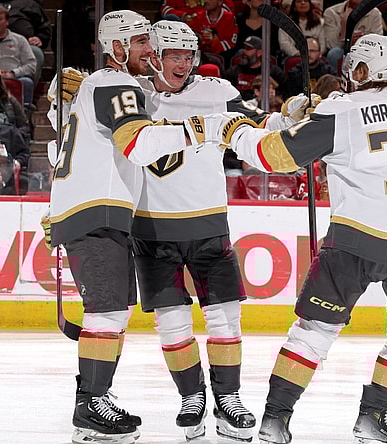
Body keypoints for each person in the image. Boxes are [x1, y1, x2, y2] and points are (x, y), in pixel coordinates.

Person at [218, 34, 387, 444]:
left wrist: (234, 130)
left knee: (314, 332)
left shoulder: (342, 110)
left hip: (355, 239)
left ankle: (274, 420)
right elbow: (373, 118)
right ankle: (373, 417)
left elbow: (274, 156)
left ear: (361, 70)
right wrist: (315, 115)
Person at [133, 20, 310, 442]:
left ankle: (228, 398)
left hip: (209, 226)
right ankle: (191, 396)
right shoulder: (130, 95)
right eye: (174, 55)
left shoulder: (216, 93)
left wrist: (291, 115)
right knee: (172, 323)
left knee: (225, 318)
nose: (184, 63)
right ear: (154, 55)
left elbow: (258, 124)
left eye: (189, 55)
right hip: (150, 229)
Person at [42, 11, 215, 444]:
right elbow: (138, 145)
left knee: (111, 308)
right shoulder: (115, 83)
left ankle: (95, 399)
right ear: (116, 48)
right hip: (98, 211)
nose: (149, 50)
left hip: (92, 209)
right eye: (140, 42)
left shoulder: (93, 88)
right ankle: (91, 406)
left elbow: (57, 145)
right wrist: (203, 128)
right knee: (108, 310)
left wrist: (52, 106)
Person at [322, 0, 383, 74]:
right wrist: (344, 25)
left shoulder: (374, 13)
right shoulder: (331, 12)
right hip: (343, 50)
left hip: (365, 52)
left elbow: (378, 43)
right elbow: (331, 45)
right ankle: (337, 82)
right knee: (334, 53)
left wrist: (361, 41)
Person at [225, 36, 287, 102]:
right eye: (244, 48)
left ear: (259, 52)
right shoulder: (233, 72)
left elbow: (283, 94)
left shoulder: (274, 72)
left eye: (248, 49)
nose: (244, 51)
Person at [186, 0, 239, 64]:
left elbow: (230, 44)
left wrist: (213, 41)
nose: (206, 1)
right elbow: (189, 41)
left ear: (220, 2)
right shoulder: (197, 16)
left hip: (222, 56)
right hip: (199, 54)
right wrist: (201, 39)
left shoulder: (229, 18)